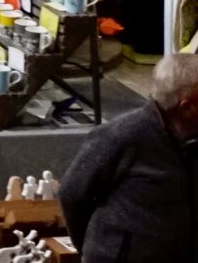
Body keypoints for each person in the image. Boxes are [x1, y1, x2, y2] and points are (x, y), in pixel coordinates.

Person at [59, 49, 198, 263]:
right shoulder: (122, 136)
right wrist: (91, 249)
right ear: (188, 108)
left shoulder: (190, 137)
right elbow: (72, 194)